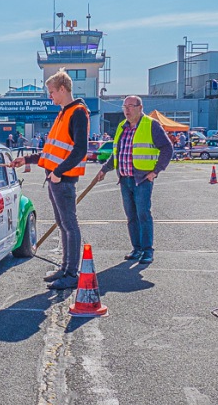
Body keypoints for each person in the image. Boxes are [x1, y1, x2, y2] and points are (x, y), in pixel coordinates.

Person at [11, 71, 89, 290]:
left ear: (63, 89)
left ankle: (71, 273)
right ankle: (65, 268)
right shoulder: (64, 112)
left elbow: (80, 149)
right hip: (56, 178)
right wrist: (26, 159)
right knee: (64, 225)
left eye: (52, 92)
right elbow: (51, 151)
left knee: (69, 225)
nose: (50, 97)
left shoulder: (77, 112)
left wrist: (58, 172)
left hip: (62, 179)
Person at [91, 95, 173, 265]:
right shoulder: (122, 126)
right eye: (124, 107)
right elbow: (117, 153)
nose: (127, 110)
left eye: (130, 106)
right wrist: (104, 169)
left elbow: (167, 148)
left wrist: (155, 171)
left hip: (142, 179)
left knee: (143, 214)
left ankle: (147, 250)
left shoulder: (151, 125)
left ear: (140, 107)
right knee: (131, 216)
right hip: (124, 178)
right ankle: (136, 249)